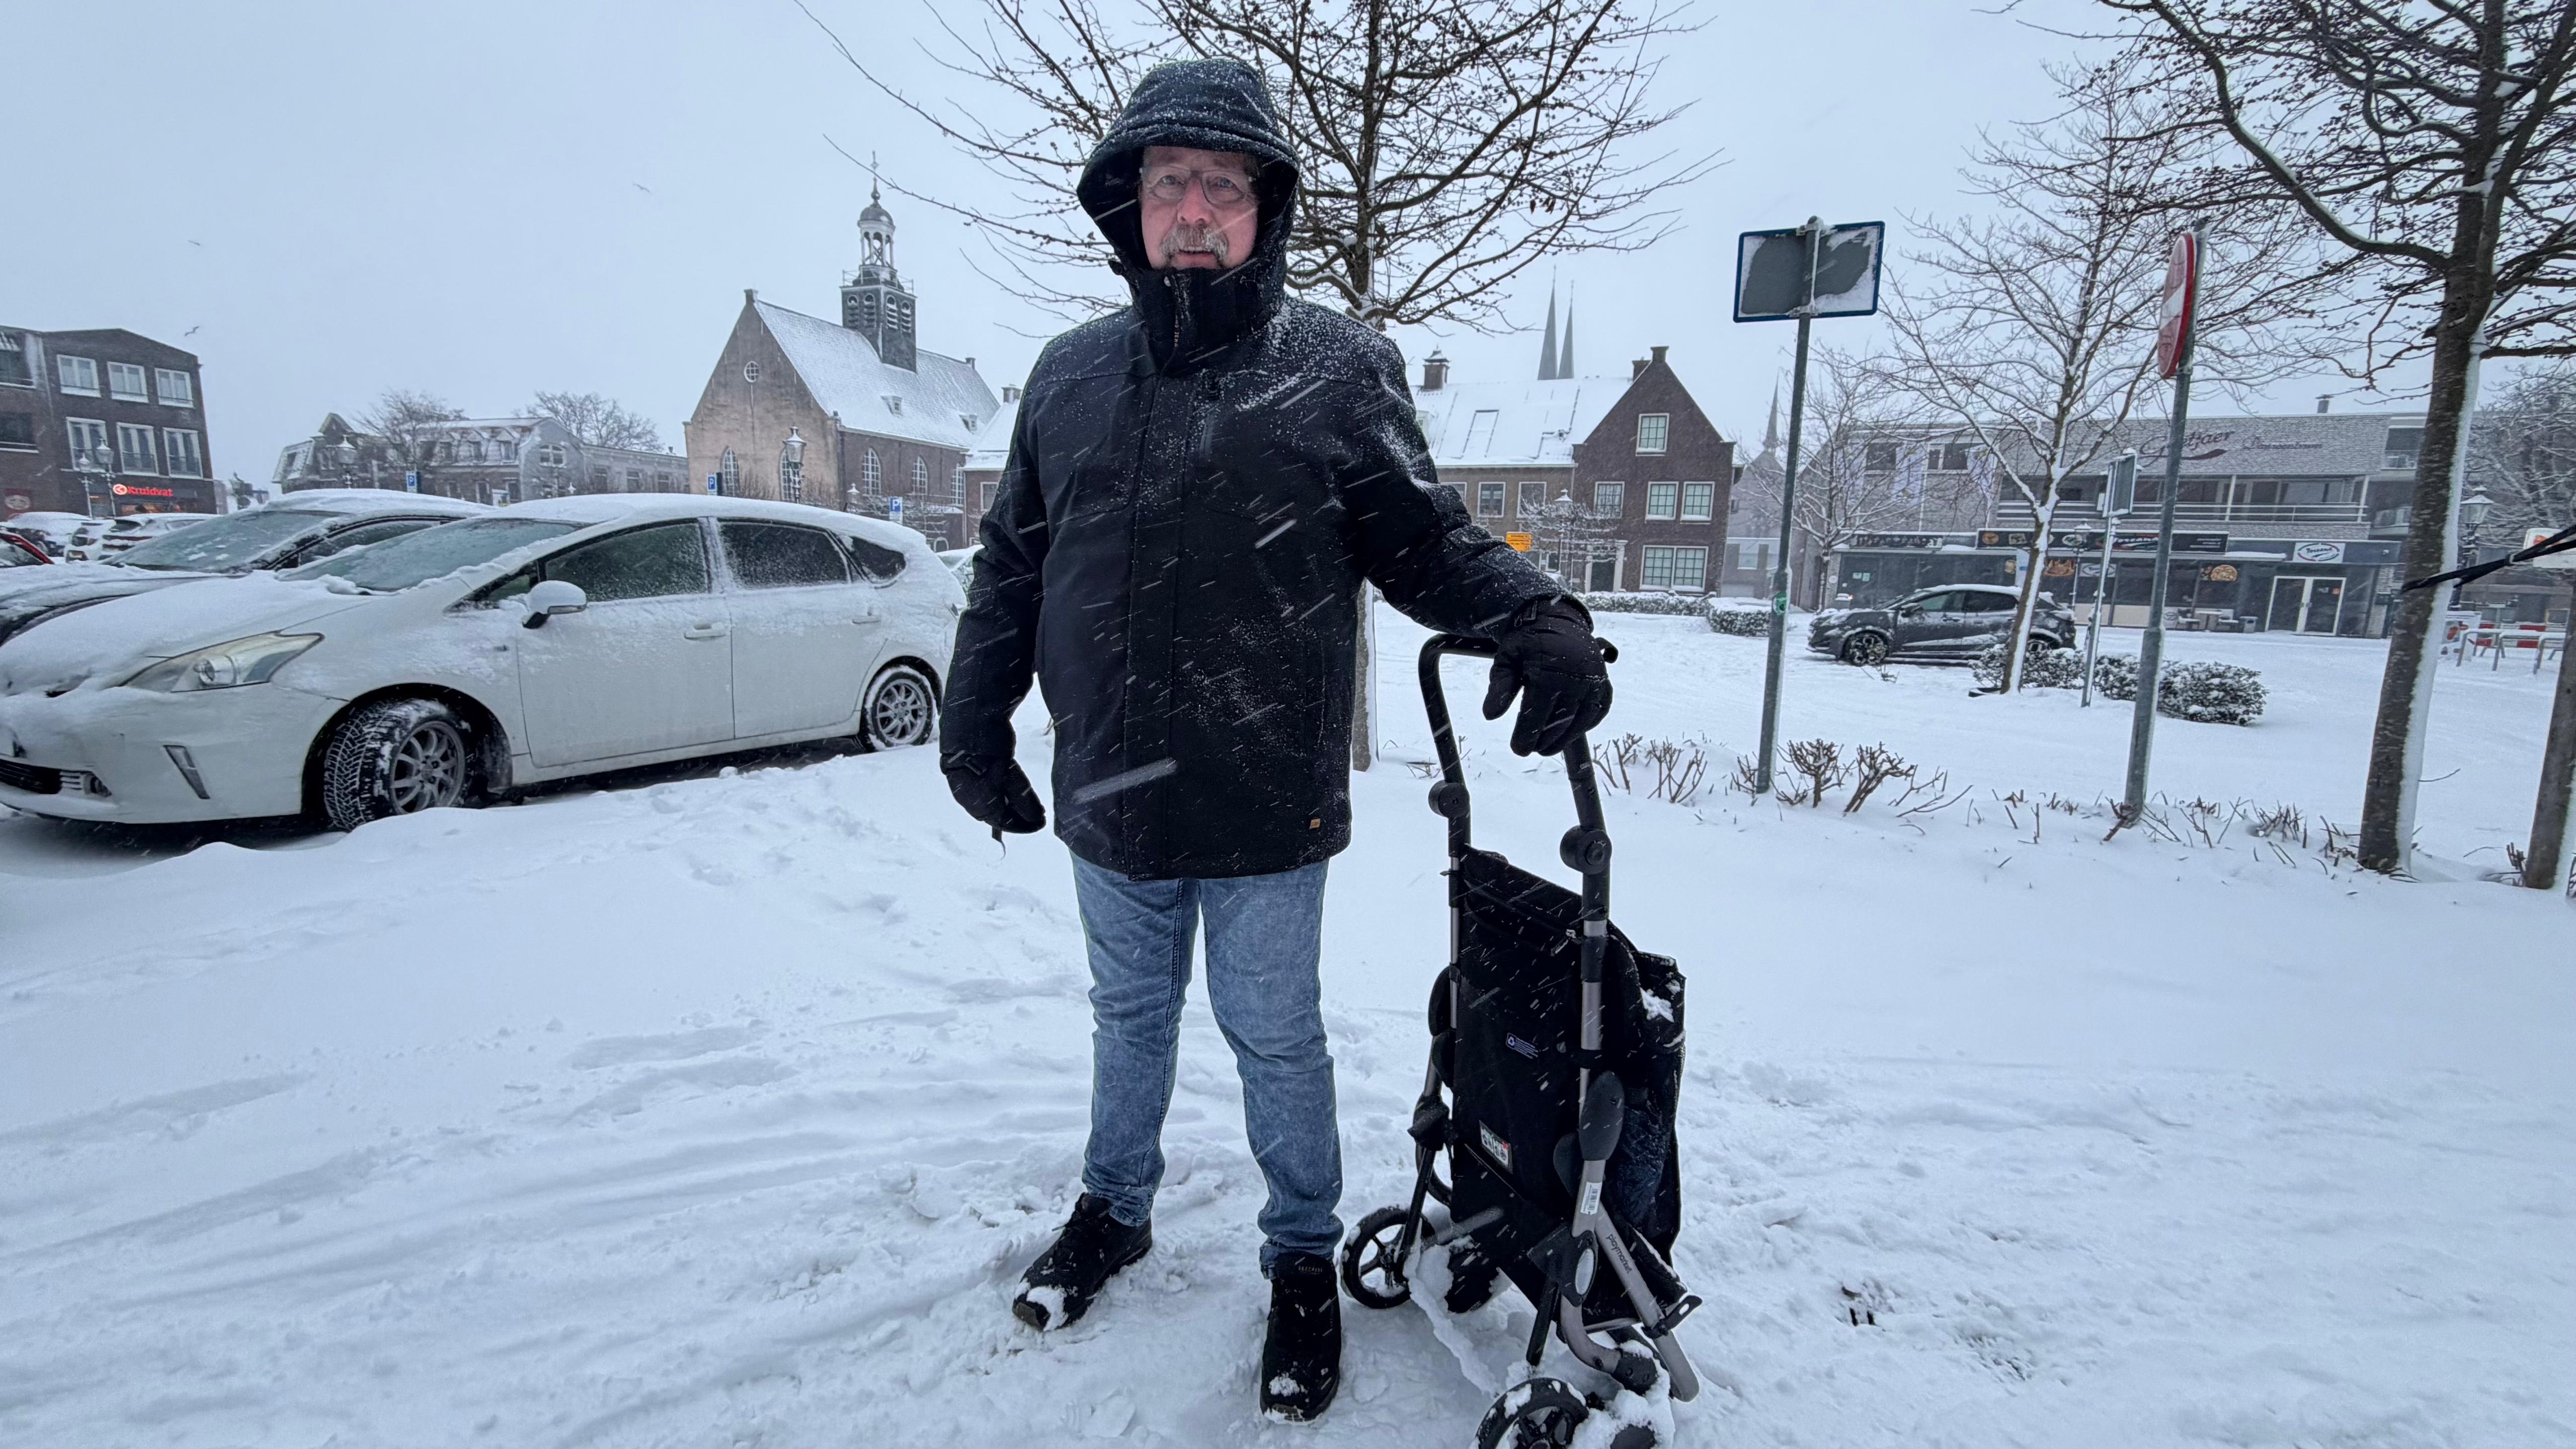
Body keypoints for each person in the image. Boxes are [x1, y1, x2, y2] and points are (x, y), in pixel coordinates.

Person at [937, 56, 1612, 1423]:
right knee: (1128, 1016)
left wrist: (1539, 612)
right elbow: (1012, 563)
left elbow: (1424, 543)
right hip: (1110, 789)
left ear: (1266, 209)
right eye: (1168, 183)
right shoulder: (1068, 376)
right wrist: (974, 717)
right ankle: (1115, 1208)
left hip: (1263, 792)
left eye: (1222, 186)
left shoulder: (1335, 370)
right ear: (1129, 201)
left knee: (1273, 1033)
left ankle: (1301, 1254)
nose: (1192, 211)